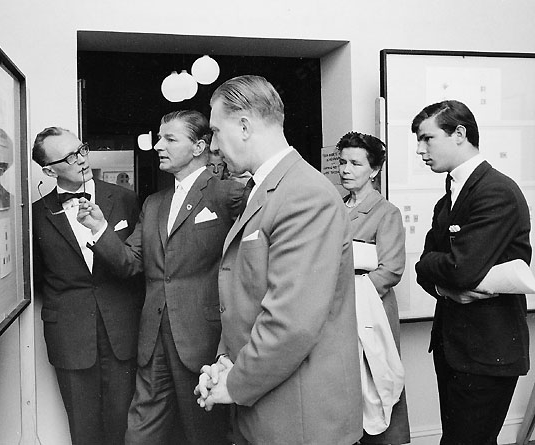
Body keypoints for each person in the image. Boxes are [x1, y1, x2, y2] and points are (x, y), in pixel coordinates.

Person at [195, 75, 363, 445]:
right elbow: (245, 299)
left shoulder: (304, 194)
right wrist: (225, 364)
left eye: (216, 132)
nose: (214, 146)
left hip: (300, 418)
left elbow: (291, 322)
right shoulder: (265, 189)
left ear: (244, 126)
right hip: (270, 407)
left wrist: (234, 383)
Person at [93, 110, 245, 444]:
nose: (158, 145)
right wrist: (99, 229)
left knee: (204, 434)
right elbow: (130, 262)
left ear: (199, 147)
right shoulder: (154, 203)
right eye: (159, 138)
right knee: (139, 434)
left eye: (169, 139)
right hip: (153, 340)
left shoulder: (228, 195)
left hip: (203, 340)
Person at [412, 100, 531, 445]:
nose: (420, 150)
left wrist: (434, 265)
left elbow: (460, 269)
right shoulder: (449, 197)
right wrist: (444, 286)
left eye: (427, 139)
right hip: (454, 349)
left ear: (459, 134)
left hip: (486, 353)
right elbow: (424, 269)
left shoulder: (495, 191)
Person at [32, 127, 142, 444]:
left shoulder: (125, 199)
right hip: (71, 336)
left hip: (121, 331)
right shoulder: (37, 215)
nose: (82, 159)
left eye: (82, 150)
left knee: (125, 428)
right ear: (49, 171)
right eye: (70, 157)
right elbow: (39, 278)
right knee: (83, 430)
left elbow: (137, 265)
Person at [337, 131, 410, 445]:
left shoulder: (386, 212)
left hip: (370, 307)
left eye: (355, 163)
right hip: (338, 309)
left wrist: (352, 294)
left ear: (375, 170)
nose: (345, 170)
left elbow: (391, 269)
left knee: (376, 378)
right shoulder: (334, 208)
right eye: (342, 162)